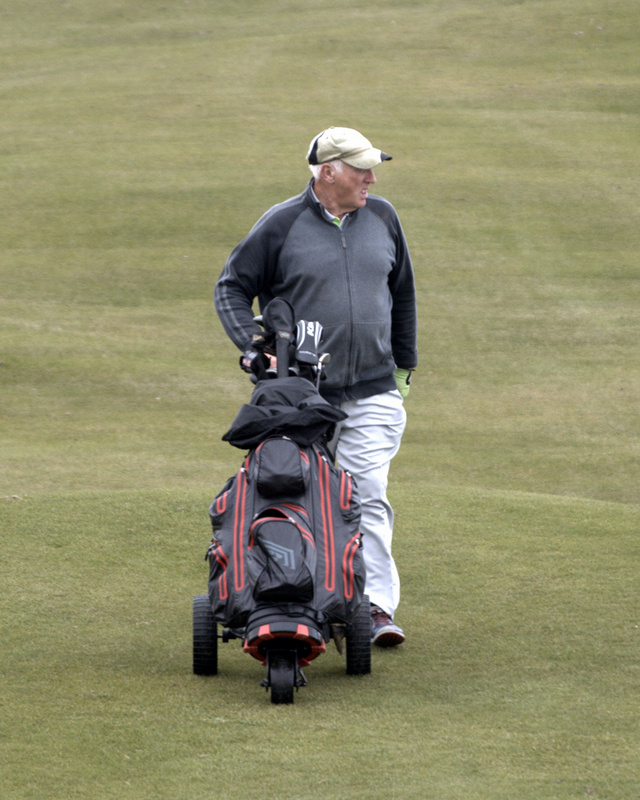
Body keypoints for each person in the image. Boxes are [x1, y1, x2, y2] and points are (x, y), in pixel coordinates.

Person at [214, 126, 418, 647]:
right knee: (301, 497)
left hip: (374, 388)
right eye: (360, 169)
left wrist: (402, 372)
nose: (371, 178)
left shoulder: (383, 217)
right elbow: (231, 288)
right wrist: (250, 345)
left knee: (364, 492)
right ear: (328, 172)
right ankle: (299, 597)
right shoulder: (282, 225)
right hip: (302, 397)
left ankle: (373, 608)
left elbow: (402, 297)